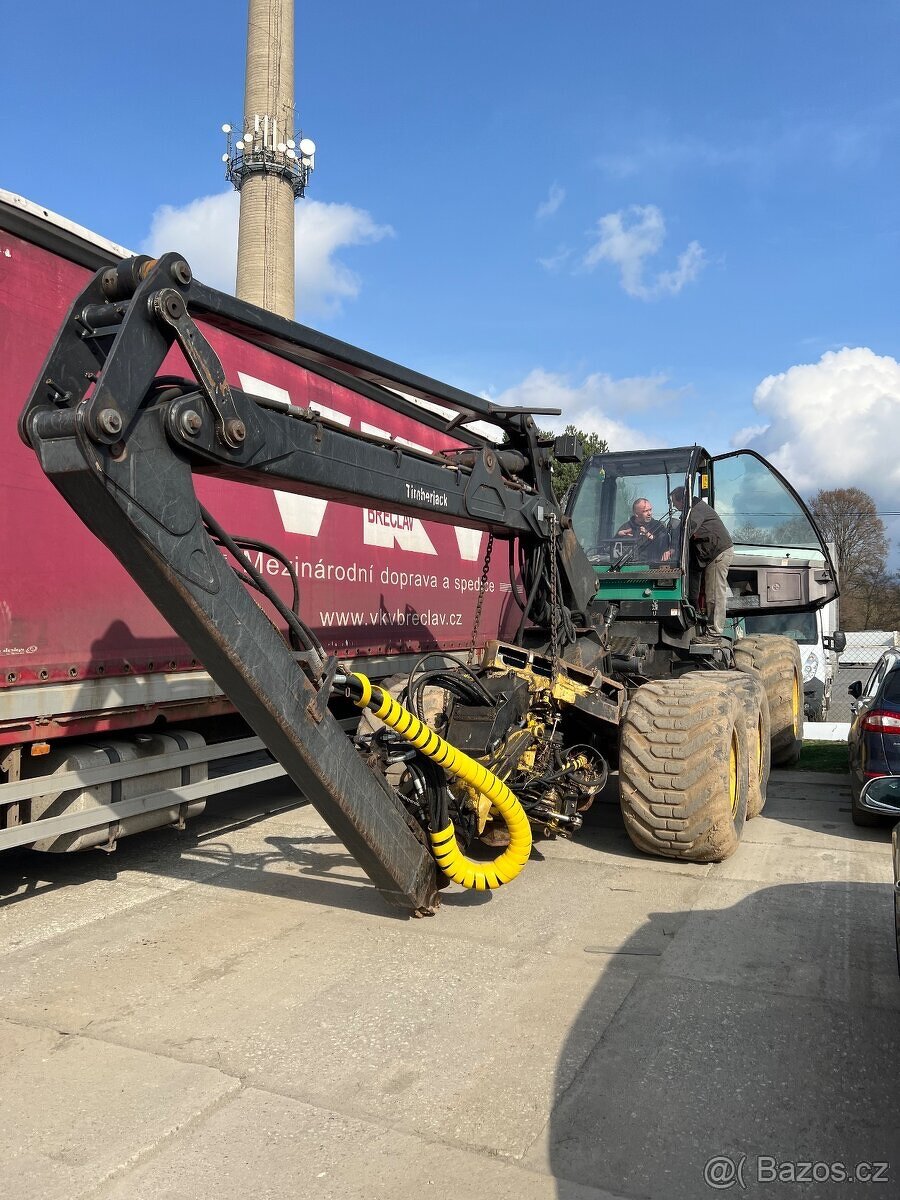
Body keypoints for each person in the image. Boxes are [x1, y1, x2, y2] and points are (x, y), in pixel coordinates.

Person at [667, 486, 734, 637]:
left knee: (714, 594)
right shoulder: (693, 509)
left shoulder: (696, 510)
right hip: (707, 553)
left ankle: (714, 633)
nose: (675, 507)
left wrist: (671, 549)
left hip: (717, 553)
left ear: (683, 499)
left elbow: (686, 530)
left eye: (675, 503)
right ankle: (697, 614)